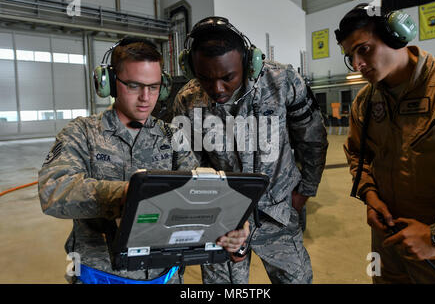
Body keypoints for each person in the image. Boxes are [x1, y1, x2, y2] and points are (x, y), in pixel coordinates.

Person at [38, 37, 249, 284]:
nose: (145, 98)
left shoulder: (172, 136)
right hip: (102, 276)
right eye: (134, 86)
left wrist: (233, 227)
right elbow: (53, 192)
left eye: (154, 87)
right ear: (110, 83)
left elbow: (200, 193)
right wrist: (127, 195)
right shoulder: (82, 133)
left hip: (165, 276)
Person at [173, 17, 328, 284]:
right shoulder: (188, 101)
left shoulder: (282, 81)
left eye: (227, 77)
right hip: (223, 223)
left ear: (248, 61)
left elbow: (312, 138)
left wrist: (305, 190)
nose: (217, 88)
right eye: (205, 79)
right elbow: (187, 166)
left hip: (279, 215)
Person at [335, 4, 435, 283]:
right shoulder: (365, 101)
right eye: (350, 56)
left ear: (396, 35)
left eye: (364, 49)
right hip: (387, 242)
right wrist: (371, 197)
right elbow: (357, 156)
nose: (358, 64)